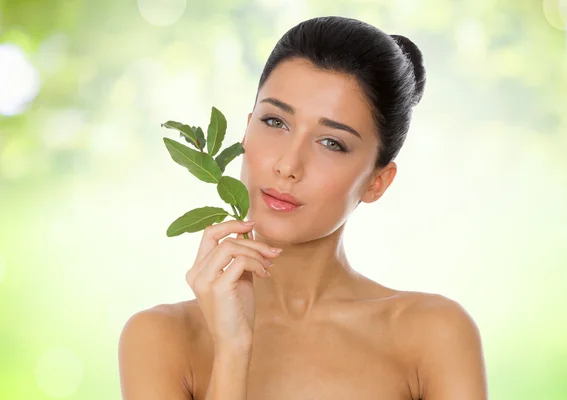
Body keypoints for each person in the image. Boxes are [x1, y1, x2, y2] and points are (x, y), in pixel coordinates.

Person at [118, 15, 487, 400]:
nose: (288, 166)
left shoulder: (434, 335)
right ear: (246, 131)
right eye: (275, 121)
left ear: (377, 182)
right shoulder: (160, 338)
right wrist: (231, 352)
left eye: (331, 143)